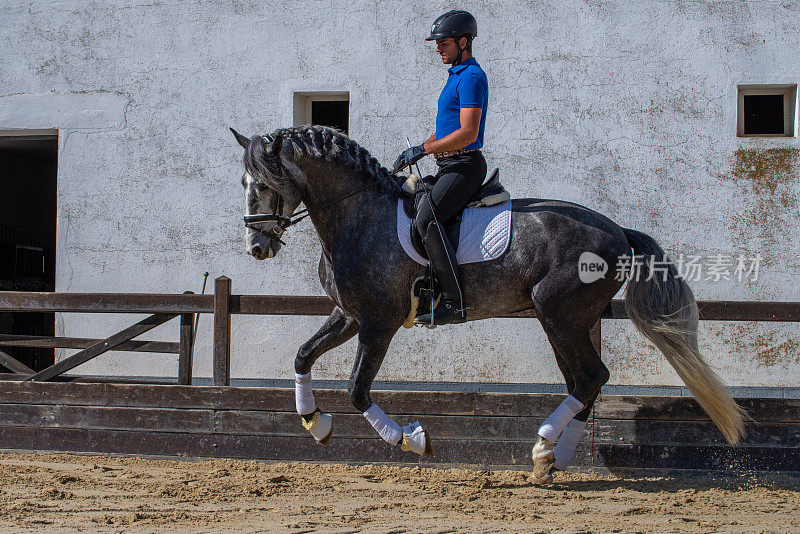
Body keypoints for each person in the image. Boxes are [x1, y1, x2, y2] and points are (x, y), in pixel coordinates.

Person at [392, 9, 488, 326]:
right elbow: (447, 130)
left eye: (443, 42)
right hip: (449, 164)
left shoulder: (472, 77)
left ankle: (454, 303)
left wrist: (424, 148)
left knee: (427, 218)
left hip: (465, 166)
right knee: (415, 207)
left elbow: (468, 133)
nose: (438, 48)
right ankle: (427, 291)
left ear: (463, 42)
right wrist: (420, 149)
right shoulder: (456, 77)